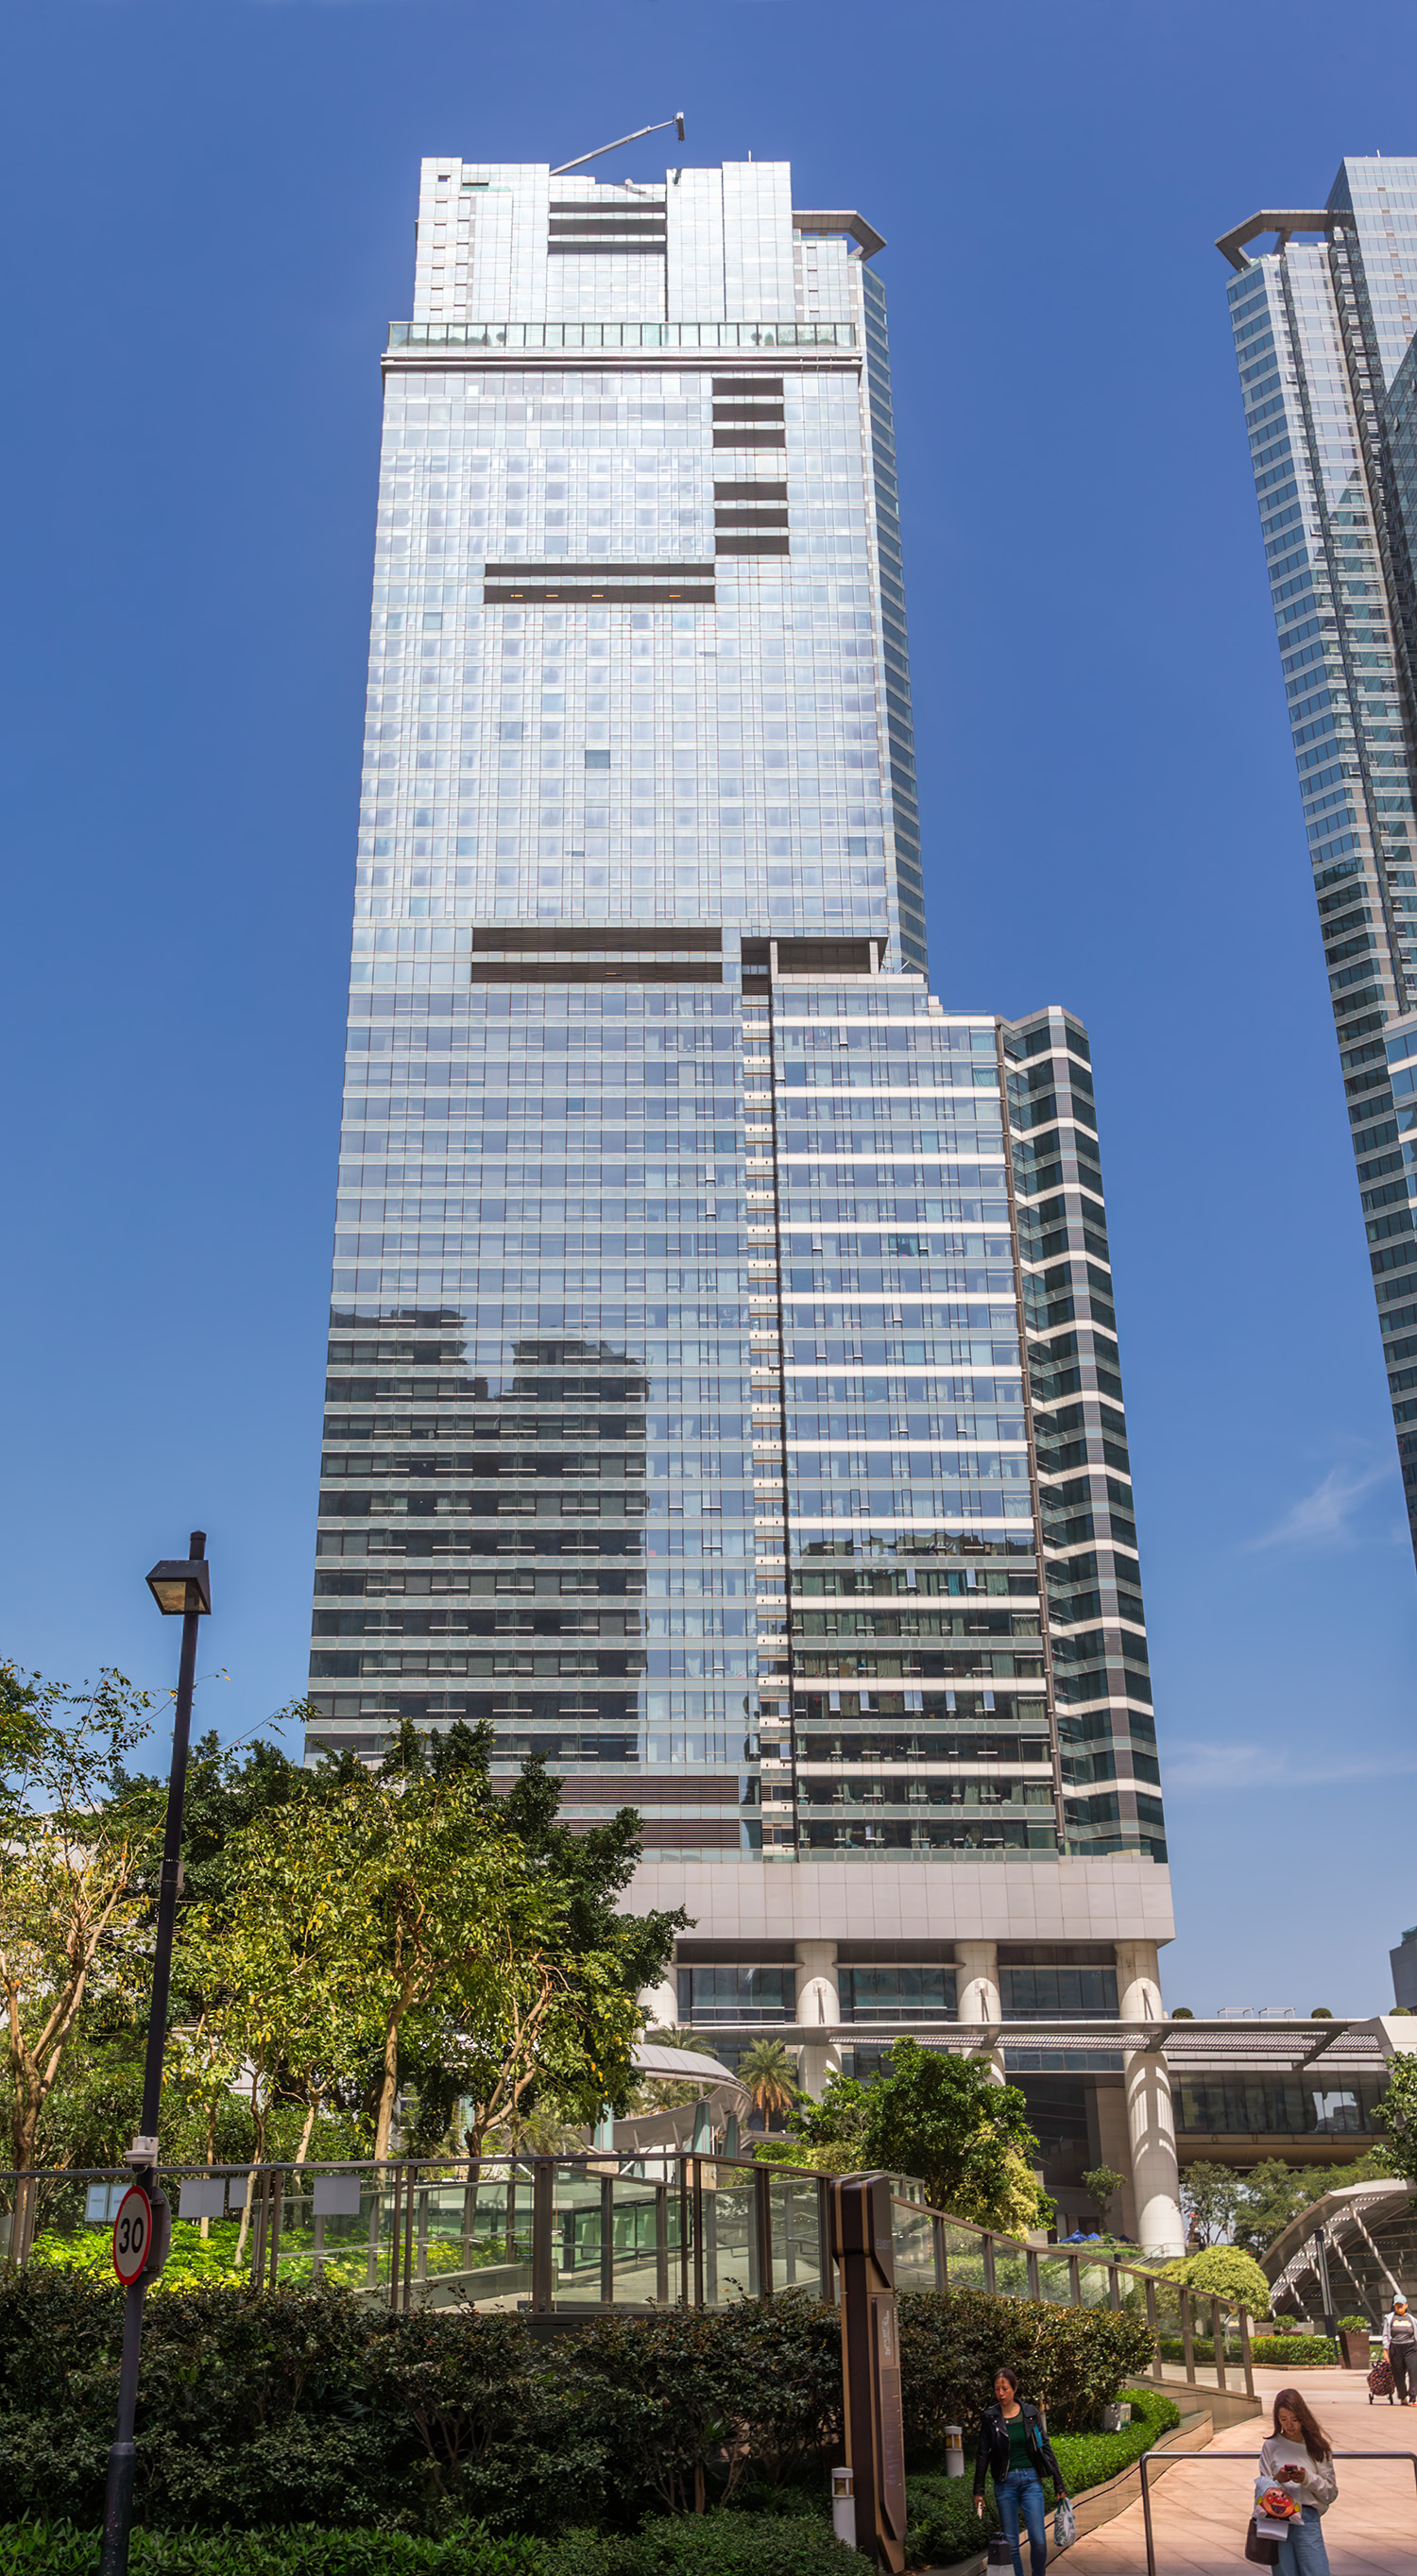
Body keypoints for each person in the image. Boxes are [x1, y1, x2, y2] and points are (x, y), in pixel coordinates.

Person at [972, 2363, 1068, 2576]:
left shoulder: (1030, 2413)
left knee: (1039, 2540)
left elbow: (1045, 2448)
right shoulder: (990, 2418)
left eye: (1005, 2388)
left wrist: (1058, 2483)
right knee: (1012, 2544)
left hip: (1030, 2481)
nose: (1000, 2393)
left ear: (1015, 2388)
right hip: (1004, 2483)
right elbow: (982, 2454)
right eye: (997, 2389)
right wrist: (978, 2491)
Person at [1257, 2387, 1337, 2576]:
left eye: (1294, 2419)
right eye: (1283, 2419)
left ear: (1303, 2418)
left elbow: (1330, 2492)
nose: (1289, 2425)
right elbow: (1263, 2484)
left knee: (1316, 2571)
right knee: (1284, 2572)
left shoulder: (1317, 2447)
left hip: (1307, 2518)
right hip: (1277, 2518)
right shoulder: (1271, 2446)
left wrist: (1307, 2479)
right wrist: (1277, 2479)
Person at [1383, 2292, 1417, 2403]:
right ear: (1394, 2306)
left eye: (1401, 2304)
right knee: (1398, 2373)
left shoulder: (1412, 2319)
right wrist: (1385, 2351)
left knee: (1413, 2372)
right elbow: (1386, 2335)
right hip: (1395, 2348)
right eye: (1397, 2305)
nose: (1399, 2306)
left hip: (1410, 2347)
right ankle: (1403, 2396)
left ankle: (1413, 2397)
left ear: (1406, 2305)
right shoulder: (1389, 2318)